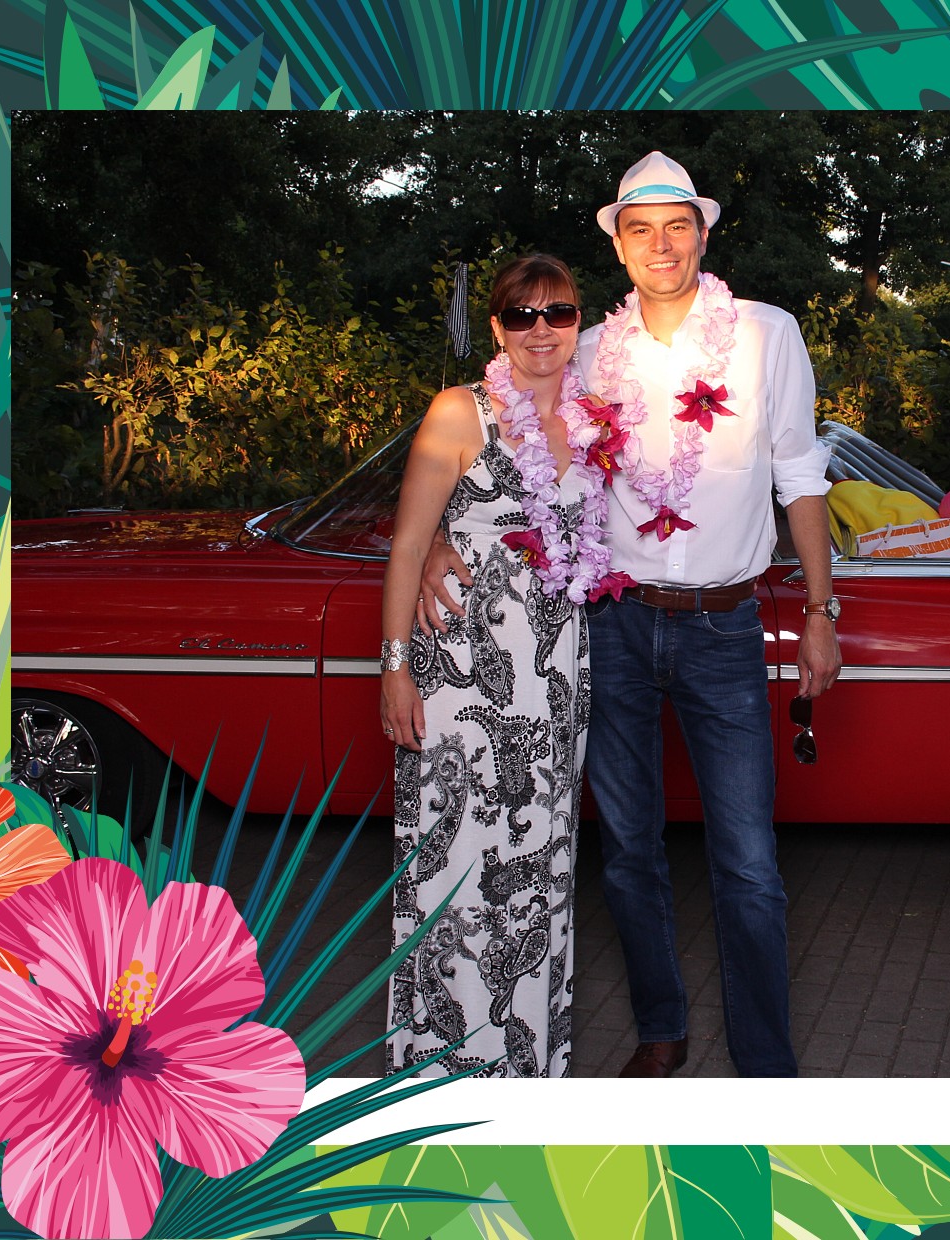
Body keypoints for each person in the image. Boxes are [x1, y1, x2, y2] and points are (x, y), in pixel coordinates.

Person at [421, 151, 841, 1077]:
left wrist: (820, 607)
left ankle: (766, 1065)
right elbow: (509, 442)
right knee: (627, 851)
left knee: (748, 862)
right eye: (640, 229)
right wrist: (440, 537)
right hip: (607, 627)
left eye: (677, 225)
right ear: (618, 245)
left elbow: (800, 473)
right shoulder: (587, 350)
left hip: (725, 626)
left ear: (703, 234)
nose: (661, 244)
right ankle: (660, 1029)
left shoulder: (766, 334)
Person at [382, 254, 628, 1078]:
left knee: (539, 870)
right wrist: (394, 668)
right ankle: (439, 1075)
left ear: (579, 323)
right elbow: (408, 545)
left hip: (555, 682)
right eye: (521, 315)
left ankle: (528, 1071)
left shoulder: (597, 424)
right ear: (497, 327)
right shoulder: (460, 412)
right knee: (455, 872)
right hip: (459, 681)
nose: (540, 331)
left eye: (558, 313)